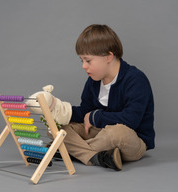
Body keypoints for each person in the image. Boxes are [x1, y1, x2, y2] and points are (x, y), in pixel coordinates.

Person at [62, 24, 155, 171]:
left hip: (131, 140)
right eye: (82, 61)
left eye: (88, 60)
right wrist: (60, 110)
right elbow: (85, 112)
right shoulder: (93, 80)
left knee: (117, 132)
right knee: (59, 128)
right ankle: (97, 157)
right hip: (100, 133)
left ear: (108, 57)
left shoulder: (135, 79)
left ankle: (69, 151)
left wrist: (94, 117)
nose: (84, 66)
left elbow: (131, 120)